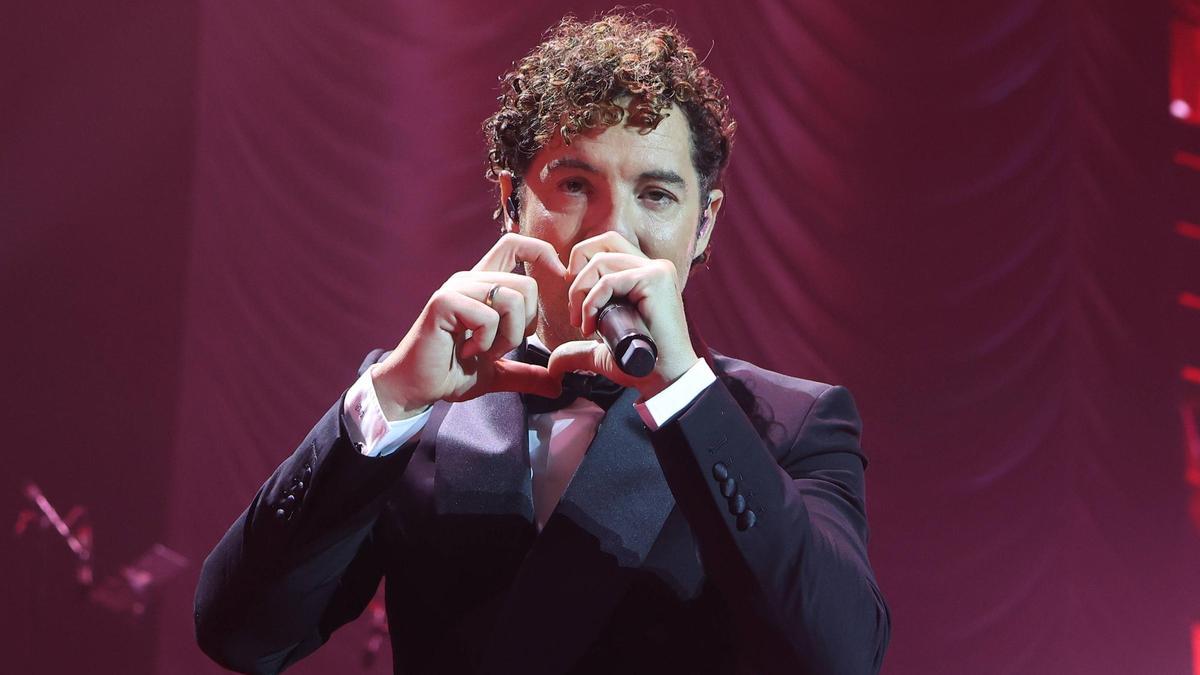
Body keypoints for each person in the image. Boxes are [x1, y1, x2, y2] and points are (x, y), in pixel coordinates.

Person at [195, 12, 890, 675]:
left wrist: (684, 396)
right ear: (510, 203)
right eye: (576, 185)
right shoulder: (420, 405)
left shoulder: (787, 424)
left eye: (656, 195)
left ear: (704, 224)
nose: (612, 232)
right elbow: (241, 632)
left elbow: (839, 655)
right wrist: (392, 397)